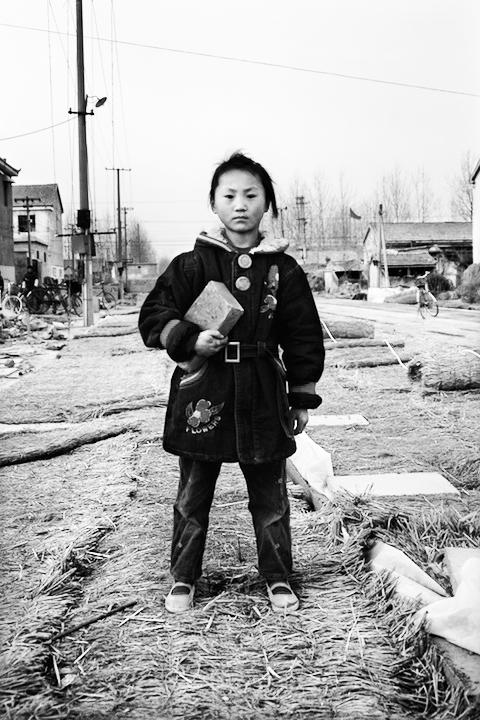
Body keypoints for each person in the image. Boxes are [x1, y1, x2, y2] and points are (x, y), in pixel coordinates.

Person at [139, 152, 325, 614]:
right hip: (205, 389)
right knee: (193, 492)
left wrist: (301, 395)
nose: (240, 204)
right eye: (229, 196)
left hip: (263, 391)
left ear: (267, 205)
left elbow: (303, 335)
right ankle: (183, 578)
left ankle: (278, 576)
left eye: (251, 195)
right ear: (214, 205)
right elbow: (154, 316)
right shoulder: (190, 266)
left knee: (270, 495)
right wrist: (187, 339)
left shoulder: (285, 271)